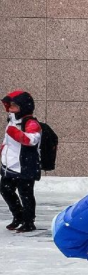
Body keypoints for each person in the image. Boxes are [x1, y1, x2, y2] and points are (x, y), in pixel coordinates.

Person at [1, 91, 42, 233]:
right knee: (5, 189)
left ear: (23, 107)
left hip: (25, 165)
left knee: (26, 193)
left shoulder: (30, 123)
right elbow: (7, 143)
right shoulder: (12, 122)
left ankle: (29, 221)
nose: (11, 109)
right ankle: (18, 216)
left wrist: (14, 132)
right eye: (10, 106)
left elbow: (31, 140)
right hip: (10, 165)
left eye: (14, 106)